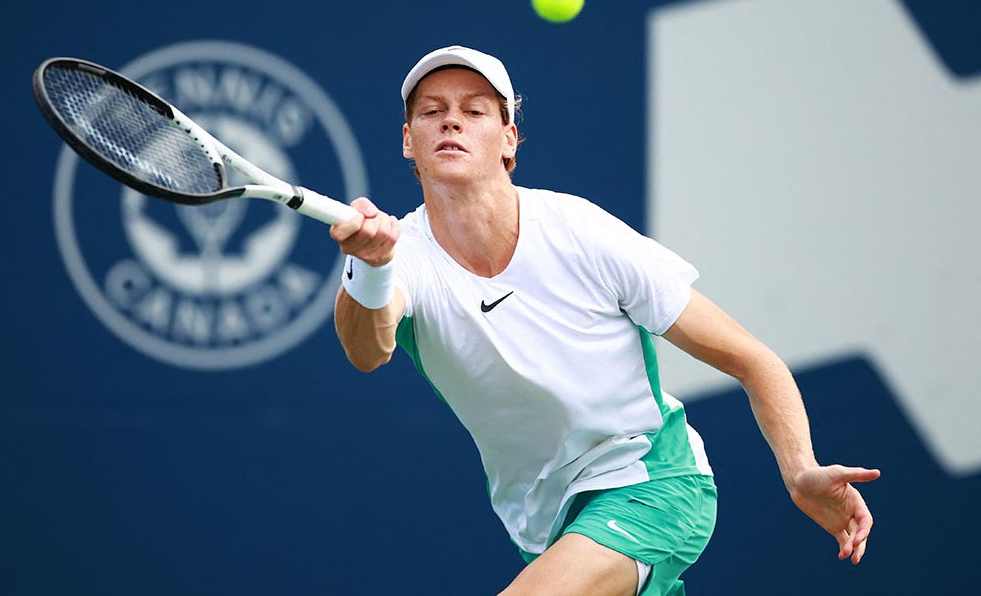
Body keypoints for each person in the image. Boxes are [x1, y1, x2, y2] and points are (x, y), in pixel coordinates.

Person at [330, 45, 880, 596]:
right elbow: (367, 350)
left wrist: (800, 469)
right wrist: (370, 267)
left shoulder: (580, 231)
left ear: (509, 142)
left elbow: (751, 359)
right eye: (431, 111)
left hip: (654, 483)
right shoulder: (403, 258)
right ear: (409, 141)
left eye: (475, 111)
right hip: (546, 524)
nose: (451, 119)